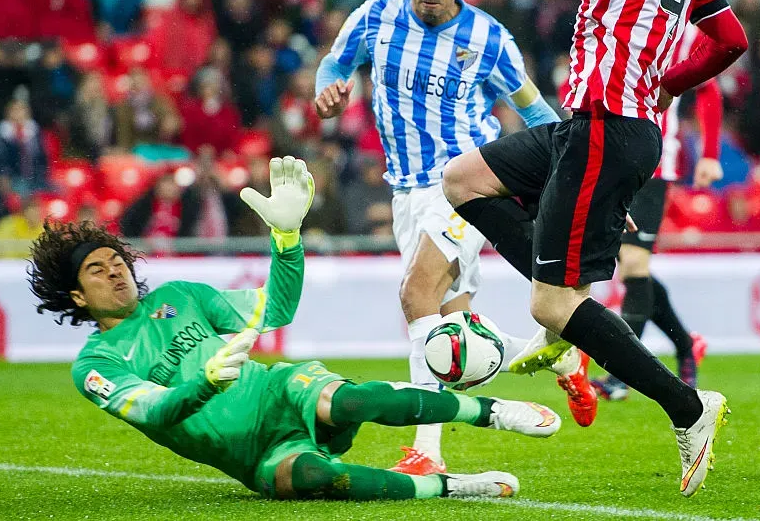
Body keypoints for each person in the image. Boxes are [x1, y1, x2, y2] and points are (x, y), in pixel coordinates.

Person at [387, 0, 748, 497]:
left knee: (550, 307)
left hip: (608, 126)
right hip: (597, 124)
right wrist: (670, 85)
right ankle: (569, 306)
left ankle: (687, 407)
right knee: (462, 179)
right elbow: (730, 40)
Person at [28, 156, 559, 501]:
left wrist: (286, 239)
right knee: (316, 479)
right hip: (254, 456)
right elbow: (154, 409)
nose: (114, 270)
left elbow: (275, 309)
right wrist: (204, 382)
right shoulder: (94, 367)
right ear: (76, 295)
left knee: (350, 401)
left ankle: (492, 412)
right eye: (96, 270)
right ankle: (448, 488)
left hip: (279, 392)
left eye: (115, 259)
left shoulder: (179, 297)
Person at [314, 0, 595, 477]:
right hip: (404, 192)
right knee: (452, 327)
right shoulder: (375, 17)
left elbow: (539, 115)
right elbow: (335, 63)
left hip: (464, 186)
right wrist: (328, 89)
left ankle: (426, 451)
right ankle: (560, 355)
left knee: (417, 297)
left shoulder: (490, 40)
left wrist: (581, 173)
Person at [593, 22, 722, 402]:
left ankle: (620, 373)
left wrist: (710, 154)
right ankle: (686, 346)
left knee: (633, 265)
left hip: (654, 161)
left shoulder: (689, 32)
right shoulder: (613, 16)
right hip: (610, 160)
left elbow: (708, 87)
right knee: (635, 270)